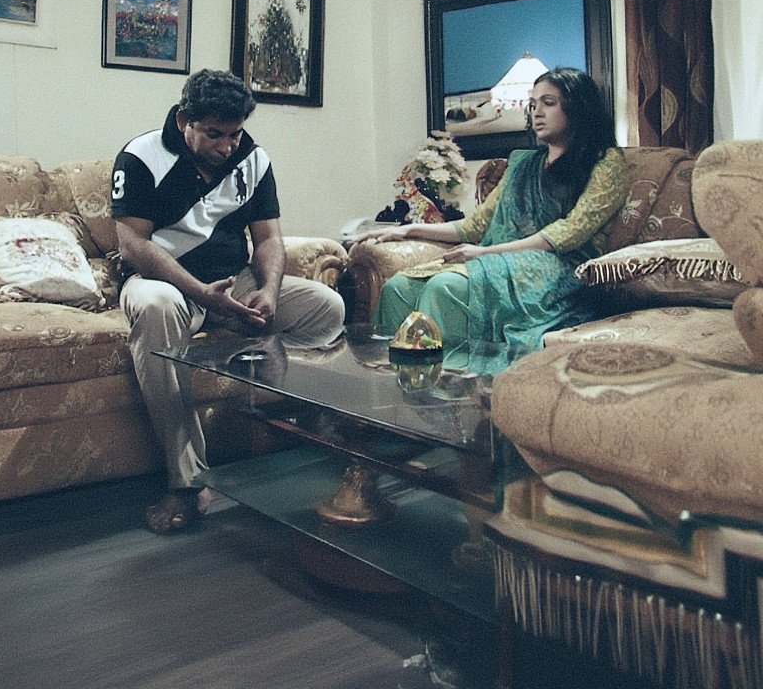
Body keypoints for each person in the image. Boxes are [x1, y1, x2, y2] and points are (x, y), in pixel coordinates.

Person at [111, 68, 345, 533]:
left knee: (327, 307)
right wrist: (200, 295)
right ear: (184, 121)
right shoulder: (140, 156)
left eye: (234, 134)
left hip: (232, 281)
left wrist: (269, 291)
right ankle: (186, 481)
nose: (226, 146)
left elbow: (269, 238)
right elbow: (132, 244)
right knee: (156, 308)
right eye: (214, 134)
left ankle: (281, 418)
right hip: (164, 283)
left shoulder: (253, 159)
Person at [360, 67, 628, 361]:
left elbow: (567, 233)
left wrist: (485, 252)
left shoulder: (606, 162)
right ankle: (396, 378)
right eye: (533, 104)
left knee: (445, 287)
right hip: (503, 260)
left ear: (577, 107)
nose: (537, 112)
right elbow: (476, 225)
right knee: (398, 287)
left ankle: (448, 381)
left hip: (563, 270)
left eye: (548, 103)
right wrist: (407, 229)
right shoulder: (522, 165)